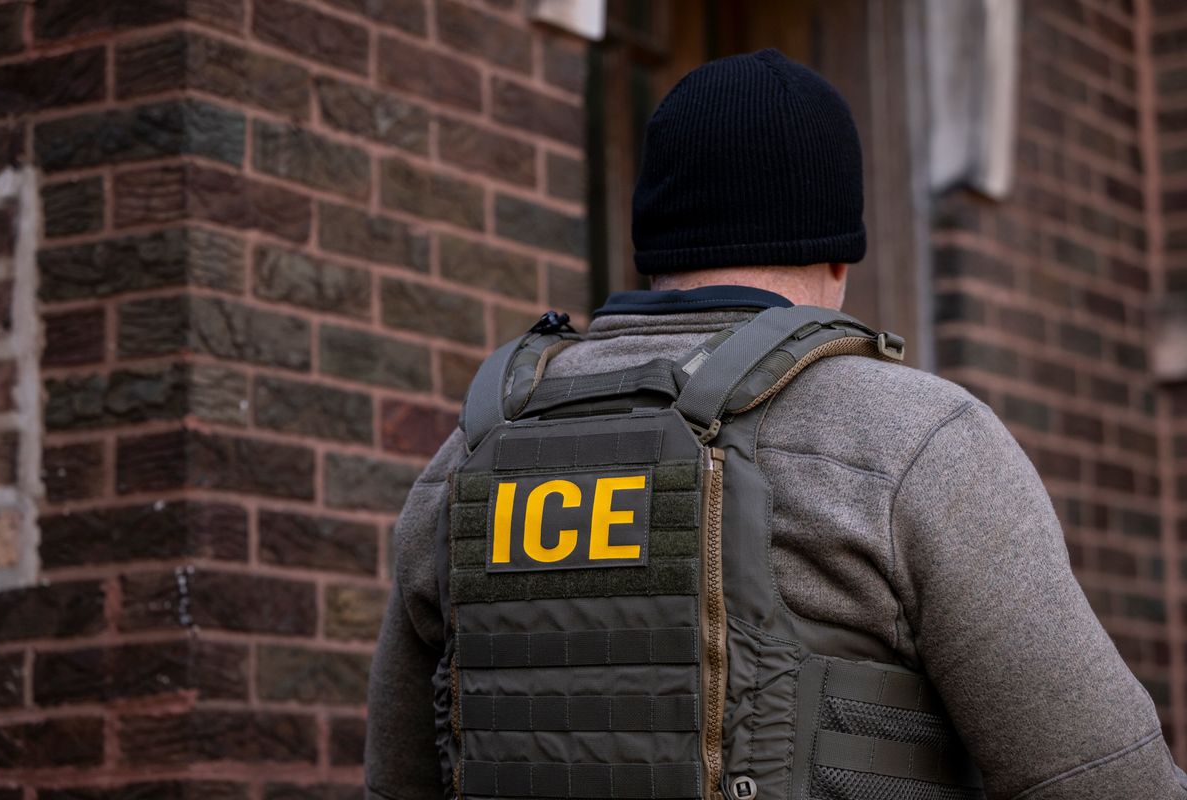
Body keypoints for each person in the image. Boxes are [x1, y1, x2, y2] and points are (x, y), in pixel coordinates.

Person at [365, 49, 1186, 800]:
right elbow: (1105, 781)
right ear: (839, 253)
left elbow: (398, 782)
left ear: (656, 245)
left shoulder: (468, 453)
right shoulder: (917, 440)